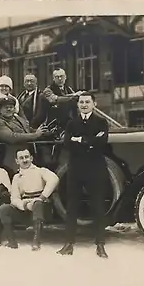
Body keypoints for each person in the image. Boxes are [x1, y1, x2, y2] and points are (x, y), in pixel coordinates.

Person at [57, 93, 110, 258]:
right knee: (72, 207)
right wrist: (91, 140)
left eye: (88, 102)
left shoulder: (101, 122)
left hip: (95, 168)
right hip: (76, 169)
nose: (84, 105)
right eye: (81, 102)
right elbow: (67, 143)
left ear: (94, 104)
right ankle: (68, 243)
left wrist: (79, 140)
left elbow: (103, 142)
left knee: (97, 206)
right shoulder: (71, 123)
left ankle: (100, 244)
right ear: (78, 105)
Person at [0, 146, 59, 250]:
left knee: (37, 204)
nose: (25, 160)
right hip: (26, 209)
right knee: (3, 209)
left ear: (31, 158)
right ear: (17, 161)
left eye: (27, 157)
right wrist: (25, 205)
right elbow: (14, 199)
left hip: (42, 209)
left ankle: (36, 240)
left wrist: (41, 197)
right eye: (21, 158)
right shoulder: (16, 177)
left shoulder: (41, 171)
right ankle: (11, 241)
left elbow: (54, 179)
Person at [42, 68, 84, 133]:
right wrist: (73, 96)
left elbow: (76, 101)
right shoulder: (48, 90)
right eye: (57, 77)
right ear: (53, 78)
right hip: (54, 124)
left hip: (69, 122)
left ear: (65, 77)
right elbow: (54, 99)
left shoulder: (68, 89)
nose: (60, 79)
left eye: (62, 76)